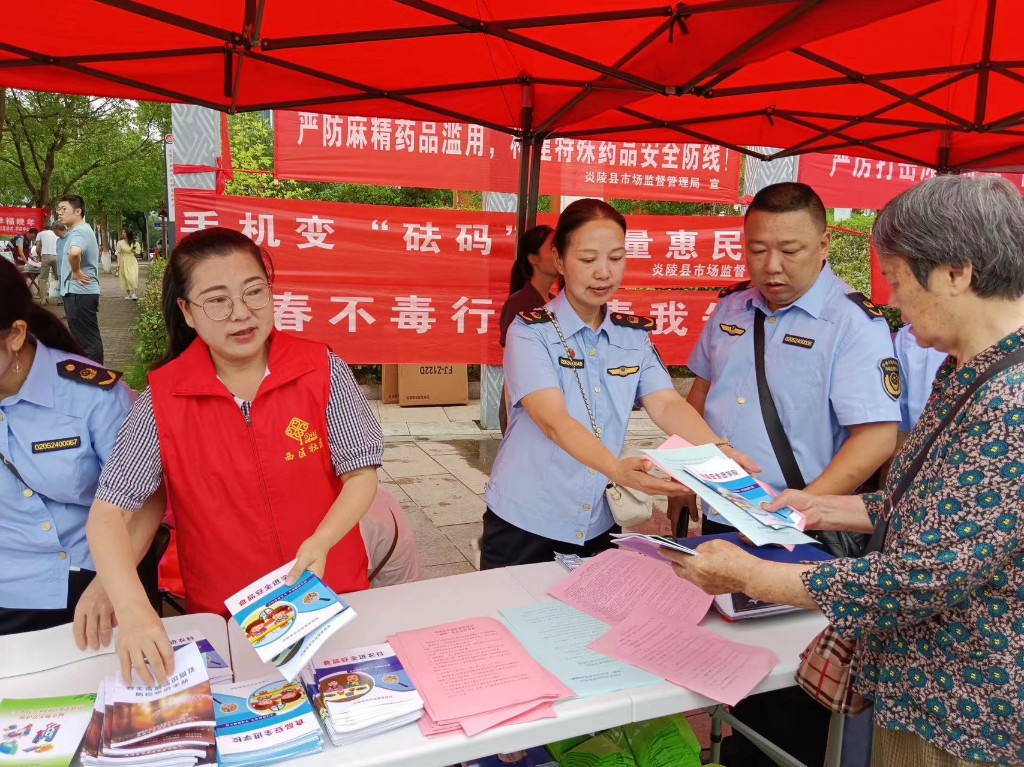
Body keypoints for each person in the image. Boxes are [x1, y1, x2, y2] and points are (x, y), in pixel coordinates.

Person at [664, 175, 1024, 767]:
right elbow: (927, 508)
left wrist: (757, 577)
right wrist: (818, 506)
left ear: (957, 273)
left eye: (901, 280)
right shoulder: (962, 369)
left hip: (966, 715)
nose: (897, 302)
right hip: (919, 692)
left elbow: (924, 574)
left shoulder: (1009, 401)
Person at [86, 227, 384, 686]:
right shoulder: (163, 398)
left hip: (331, 595)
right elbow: (109, 514)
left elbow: (360, 474)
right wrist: (133, 608)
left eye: (254, 291)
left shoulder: (320, 368)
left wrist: (322, 540)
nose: (242, 313)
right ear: (187, 311)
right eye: (218, 300)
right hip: (230, 618)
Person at [682, 182, 900, 766]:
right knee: (726, 669)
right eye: (756, 249)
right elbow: (701, 395)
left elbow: (878, 436)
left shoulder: (853, 323)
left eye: (790, 250)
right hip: (723, 517)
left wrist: (798, 506)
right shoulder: (732, 308)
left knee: (786, 691)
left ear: (825, 244)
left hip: (802, 534)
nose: (771, 266)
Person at [481, 199, 758, 570]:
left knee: (593, 622)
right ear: (560, 261)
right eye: (588, 258)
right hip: (526, 518)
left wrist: (717, 449)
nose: (603, 272)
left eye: (615, 258)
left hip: (597, 518)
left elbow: (666, 403)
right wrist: (615, 469)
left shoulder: (633, 337)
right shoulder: (531, 332)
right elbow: (553, 420)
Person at [0, 258, 164, 642]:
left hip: (91, 581)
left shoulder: (92, 396)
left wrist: (112, 585)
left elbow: (148, 499)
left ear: (16, 335)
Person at [498, 224, 558, 434]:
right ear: (534, 259)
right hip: (525, 409)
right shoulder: (519, 303)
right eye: (552, 249)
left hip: (551, 405)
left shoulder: (553, 301)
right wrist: (510, 424)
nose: (559, 253)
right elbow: (511, 368)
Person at [56, 196, 103, 364]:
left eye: (63, 209)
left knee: (87, 342)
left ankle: (95, 381)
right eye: (58, 209)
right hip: (80, 292)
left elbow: (75, 252)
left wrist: (75, 270)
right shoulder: (82, 230)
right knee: (85, 340)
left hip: (79, 292)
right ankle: (92, 379)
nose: (59, 213)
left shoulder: (79, 231)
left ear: (78, 211)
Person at [360, 486, 422, 588]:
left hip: (393, 594)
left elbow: (350, 578)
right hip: (405, 586)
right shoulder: (369, 487)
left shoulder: (354, 512)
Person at [35, 223, 61, 305]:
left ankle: (43, 299)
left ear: (44, 229)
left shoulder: (40, 234)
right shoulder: (57, 233)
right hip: (57, 256)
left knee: (43, 278)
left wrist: (40, 257)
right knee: (59, 277)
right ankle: (61, 299)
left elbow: (37, 248)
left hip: (46, 256)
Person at [116, 228, 142, 300]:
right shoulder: (120, 243)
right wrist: (118, 264)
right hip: (123, 261)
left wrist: (133, 251)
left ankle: (133, 293)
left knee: (132, 277)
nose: (123, 234)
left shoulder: (135, 243)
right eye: (122, 232)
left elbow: (138, 253)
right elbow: (118, 253)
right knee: (126, 278)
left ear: (128, 233)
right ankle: (128, 294)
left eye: (124, 232)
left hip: (132, 261)